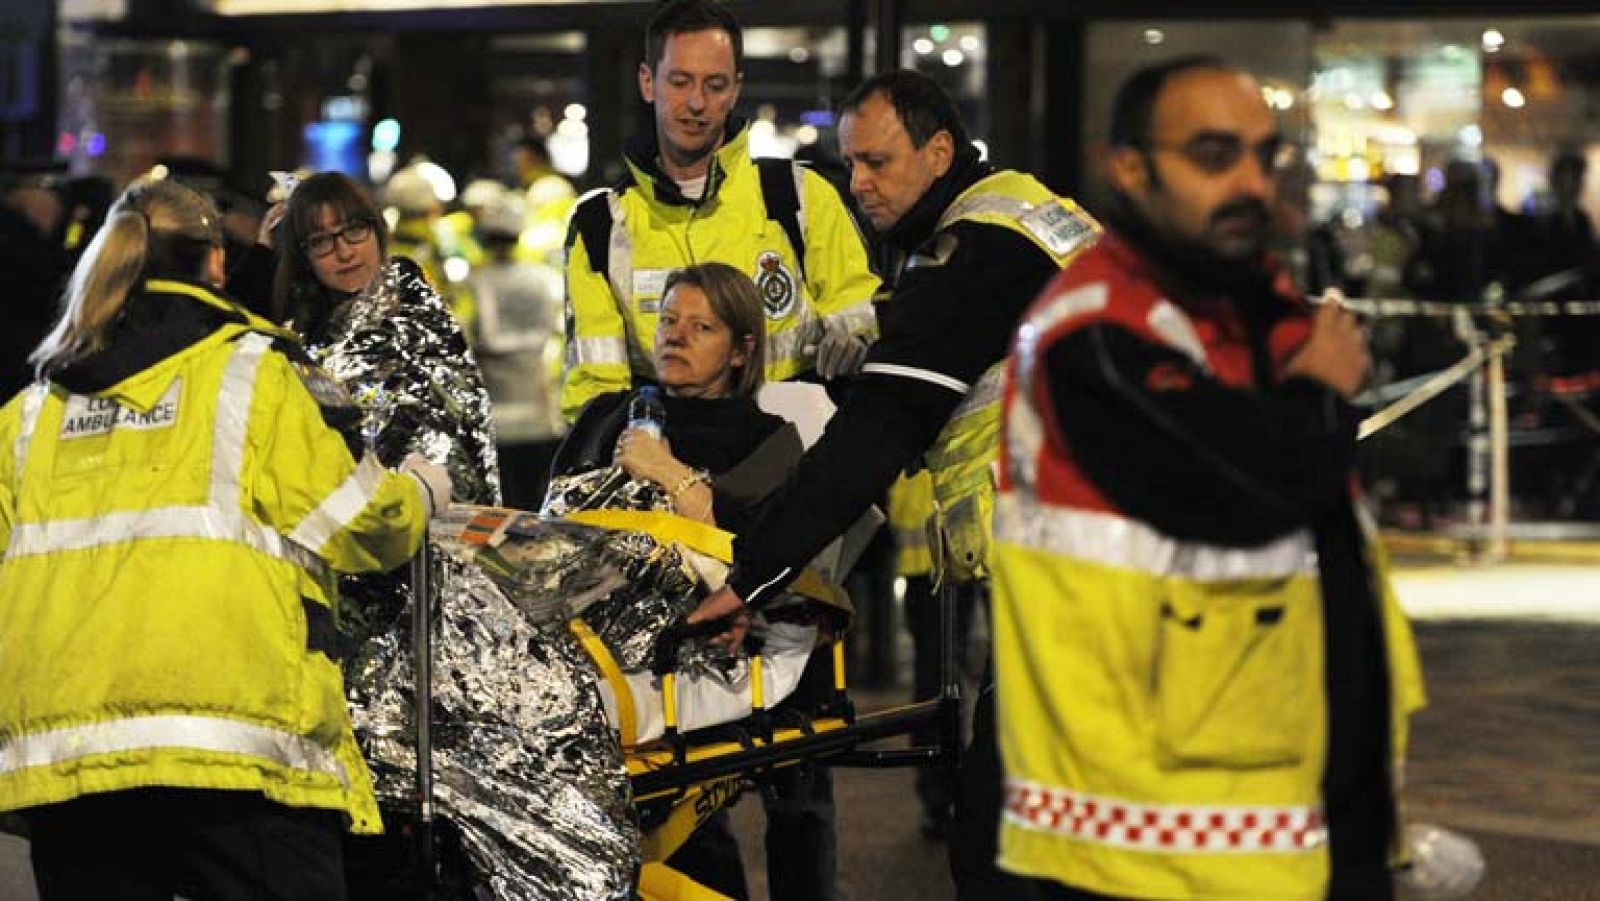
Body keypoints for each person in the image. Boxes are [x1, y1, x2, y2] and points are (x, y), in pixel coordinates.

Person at [988, 56, 1426, 899]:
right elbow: (1254, 486)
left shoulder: (1247, 310)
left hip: (1280, 816)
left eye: (1268, 155)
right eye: (1215, 155)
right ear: (1129, 167)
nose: (1253, 182)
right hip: (1149, 846)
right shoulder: (1096, 331)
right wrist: (1319, 391)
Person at [686, 68, 1101, 897]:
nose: (858, 185)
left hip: (1087, 576)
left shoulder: (975, 251)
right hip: (1129, 562)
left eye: (876, 161)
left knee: (1002, 839)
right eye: (849, 164)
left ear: (939, 151)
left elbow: (877, 434)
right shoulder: (1033, 217)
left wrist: (747, 580)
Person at [0, 176, 447, 900]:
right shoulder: (253, 378)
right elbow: (361, 524)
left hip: (70, 756)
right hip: (235, 747)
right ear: (214, 263)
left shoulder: (30, 413)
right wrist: (424, 489)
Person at [256, 171, 500, 896]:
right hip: (341, 582)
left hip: (414, 580)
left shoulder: (409, 310)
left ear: (377, 227)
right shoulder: (304, 331)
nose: (343, 252)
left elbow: (446, 439)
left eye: (353, 231)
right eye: (321, 241)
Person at [553, 262, 816, 899]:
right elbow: (550, 520)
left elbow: (751, 553)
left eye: (701, 327)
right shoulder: (608, 414)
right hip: (568, 616)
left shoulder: (769, 444)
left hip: (674, 642)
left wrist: (667, 472)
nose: (675, 336)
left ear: (741, 349)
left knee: (688, 834)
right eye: (669, 320)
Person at [560, 0, 880, 422]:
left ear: (736, 89)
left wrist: (857, 340)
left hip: (792, 462)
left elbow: (860, 313)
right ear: (647, 82)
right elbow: (595, 393)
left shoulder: (799, 198)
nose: (696, 102)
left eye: (714, 84)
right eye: (679, 81)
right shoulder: (600, 227)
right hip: (665, 468)